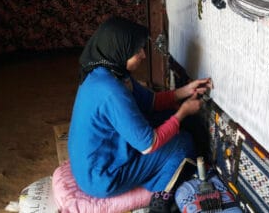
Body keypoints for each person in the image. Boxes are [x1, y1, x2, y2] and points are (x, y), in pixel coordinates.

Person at [67, 16, 212, 199]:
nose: (143, 55)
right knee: (182, 143)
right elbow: (149, 144)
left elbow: (151, 102)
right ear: (121, 50)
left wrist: (186, 91)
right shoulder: (111, 91)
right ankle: (161, 197)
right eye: (137, 51)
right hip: (101, 178)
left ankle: (150, 171)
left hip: (94, 161)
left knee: (166, 115)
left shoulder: (108, 72)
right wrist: (183, 112)